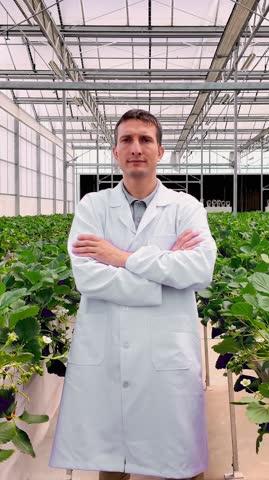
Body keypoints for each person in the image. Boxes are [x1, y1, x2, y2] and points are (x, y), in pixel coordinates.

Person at [49, 109, 217, 480]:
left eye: (145, 140)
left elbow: (199, 271)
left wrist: (121, 258)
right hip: (109, 349)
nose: (136, 148)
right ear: (115, 151)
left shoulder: (185, 207)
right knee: (113, 463)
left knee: (181, 458)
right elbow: (89, 278)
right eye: (127, 139)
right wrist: (164, 273)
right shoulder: (93, 206)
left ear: (161, 151)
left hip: (166, 356)